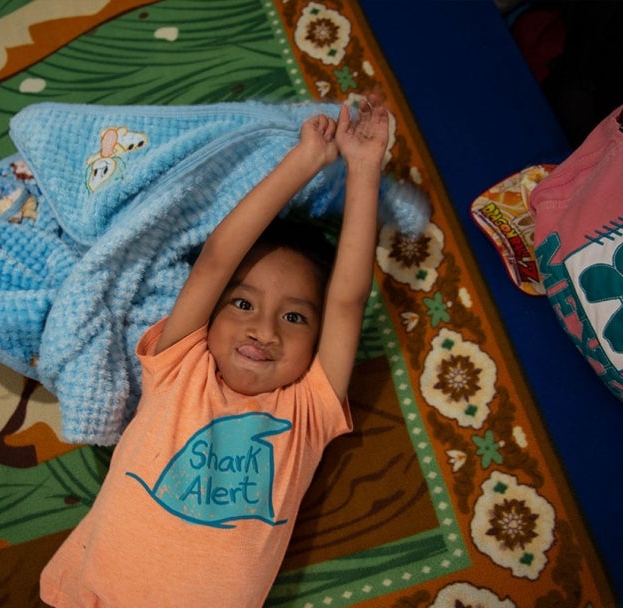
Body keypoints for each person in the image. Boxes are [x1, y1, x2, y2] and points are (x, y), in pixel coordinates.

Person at [40, 95, 390, 607]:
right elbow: (215, 260)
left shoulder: (307, 409)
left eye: (294, 317)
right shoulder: (180, 364)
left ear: (317, 342)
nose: (264, 329)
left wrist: (364, 170)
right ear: (214, 314)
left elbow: (346, 300)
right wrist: (303, 162)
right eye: (243, 303)